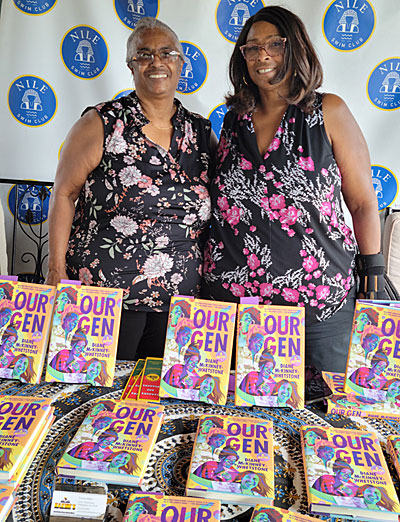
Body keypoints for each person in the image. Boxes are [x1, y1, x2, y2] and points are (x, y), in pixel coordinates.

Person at [201, 5, 383, 373]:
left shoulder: (328, 111)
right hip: (235, 306)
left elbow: (362, 202)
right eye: (251, 47)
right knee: (243, 417)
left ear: (296, 47)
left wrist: (373, 271)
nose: (262, 55)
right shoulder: (234, 120)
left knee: (327, 413)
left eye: (274, 44)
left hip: (317, 304)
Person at [45, 17, 215, 361]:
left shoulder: (200, 132)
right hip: (105, 297)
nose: (156, 62)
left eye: (167, 53)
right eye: (144, 54)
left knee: (164, 402)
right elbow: (64, 193)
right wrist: (55, 269)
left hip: (181, 303)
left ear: (181, 62)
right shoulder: (102, 122)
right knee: (96, 395)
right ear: (130, 65)